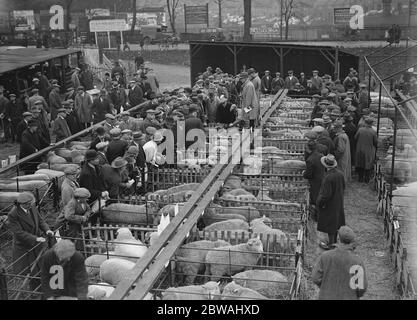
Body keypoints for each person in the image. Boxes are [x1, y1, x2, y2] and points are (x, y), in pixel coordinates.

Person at [8, 192, 54, 291]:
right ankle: (33, 292)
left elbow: (40, 220)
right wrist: (35, 238)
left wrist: (47, 229)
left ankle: (41, 288)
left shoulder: (32, 207)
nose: (31, 205)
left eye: (31, 203)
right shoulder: (13, 214)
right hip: (25, 245)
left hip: (37, 242)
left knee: (39, 266)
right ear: (22, 204)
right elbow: (18, 233)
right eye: (29, 203)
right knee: (30, 270)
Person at [312, 226, 368, 300]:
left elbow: (316, 278)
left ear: (338, 239)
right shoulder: (357, 262)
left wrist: (325, 287)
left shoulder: (325, 256)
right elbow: (361, 288)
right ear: (352, 241)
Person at [316, 154, 346, 249]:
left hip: (330, 204)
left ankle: (331, 245)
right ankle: (334, 242)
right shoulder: (340, 174)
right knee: (336, 222)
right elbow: (344, 187)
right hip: (338, 201)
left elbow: (326, 194)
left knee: (330, 225)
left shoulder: (328, 178)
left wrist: (320, 203)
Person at [303, 141, 325, 219]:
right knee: (320, 196)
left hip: (314, 181)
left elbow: (309, 174)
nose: (305, 149)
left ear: (309, 149)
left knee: (315, 197)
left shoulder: (310, 159)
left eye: (306, 148)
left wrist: (304, 173)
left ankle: (317, 216)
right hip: (322, 178)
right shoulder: (321, 155)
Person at [354, 117, 378, 183]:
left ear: (365, 122)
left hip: (360, 149)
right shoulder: (373, 132)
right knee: (368, 164)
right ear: (371, 123)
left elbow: (355, 138)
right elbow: (375, 142)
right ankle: (367, 180)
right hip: (369, 150)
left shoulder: (360, 130)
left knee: (360, 163)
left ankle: (360, 179)